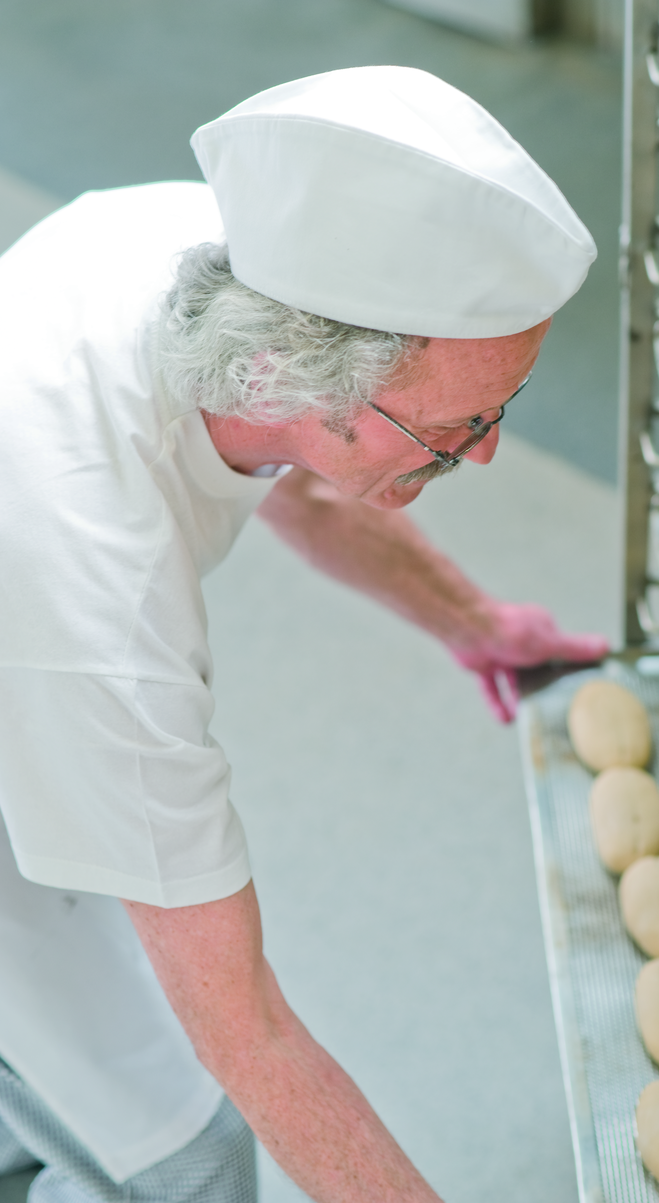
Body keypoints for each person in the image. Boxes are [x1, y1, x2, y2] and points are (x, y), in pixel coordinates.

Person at [0, 66, 607, 1203]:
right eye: (452, 429)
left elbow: (310, 480)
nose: (480, 456)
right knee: (184, 1160)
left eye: (499, 413)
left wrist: (478, 625)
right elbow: (253, 1031)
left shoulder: (227, 270)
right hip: (29, 661)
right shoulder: (96, 605)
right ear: (285, 379)